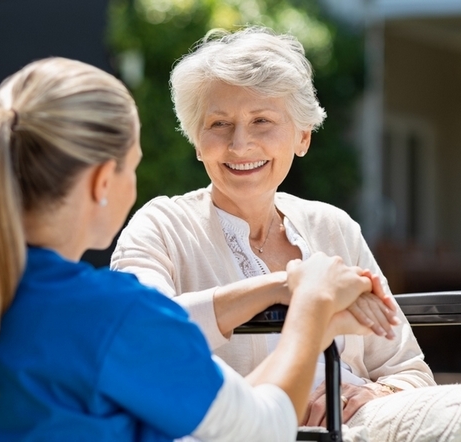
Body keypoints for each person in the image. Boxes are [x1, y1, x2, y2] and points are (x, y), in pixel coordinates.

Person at [0, 56, 384, 441]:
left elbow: (220, 414)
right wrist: (312, 304)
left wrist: (280, 287)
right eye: (134, 167)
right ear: (104, 181)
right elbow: (260, 427)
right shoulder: (113, 317)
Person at [110, 26, 436, 426]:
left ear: (302, 136)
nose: (240, 144)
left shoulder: (333, 227)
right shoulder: (160, 226)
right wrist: (286, 287)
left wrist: (371, 393)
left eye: (262, 120)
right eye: (219, 124)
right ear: (197, 141)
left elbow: (409, 371)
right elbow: (142, 335)